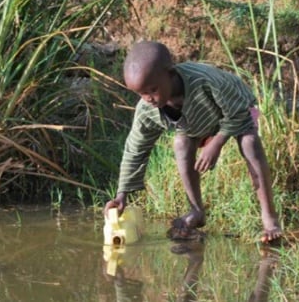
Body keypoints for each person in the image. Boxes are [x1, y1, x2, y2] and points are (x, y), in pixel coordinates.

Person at [104, 40, 282, 243]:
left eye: (153, 90)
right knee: (181, 144)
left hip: (237, 108)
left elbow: (239, 112)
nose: (149, 98)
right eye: (141, 94)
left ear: (170, 74)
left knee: (249, 143)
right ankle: (196, 211)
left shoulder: (205, 81)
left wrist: (217, 143)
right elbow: (135, 149)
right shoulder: (147, 110)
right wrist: (122, 194)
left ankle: (270, 220)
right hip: (197, 122)